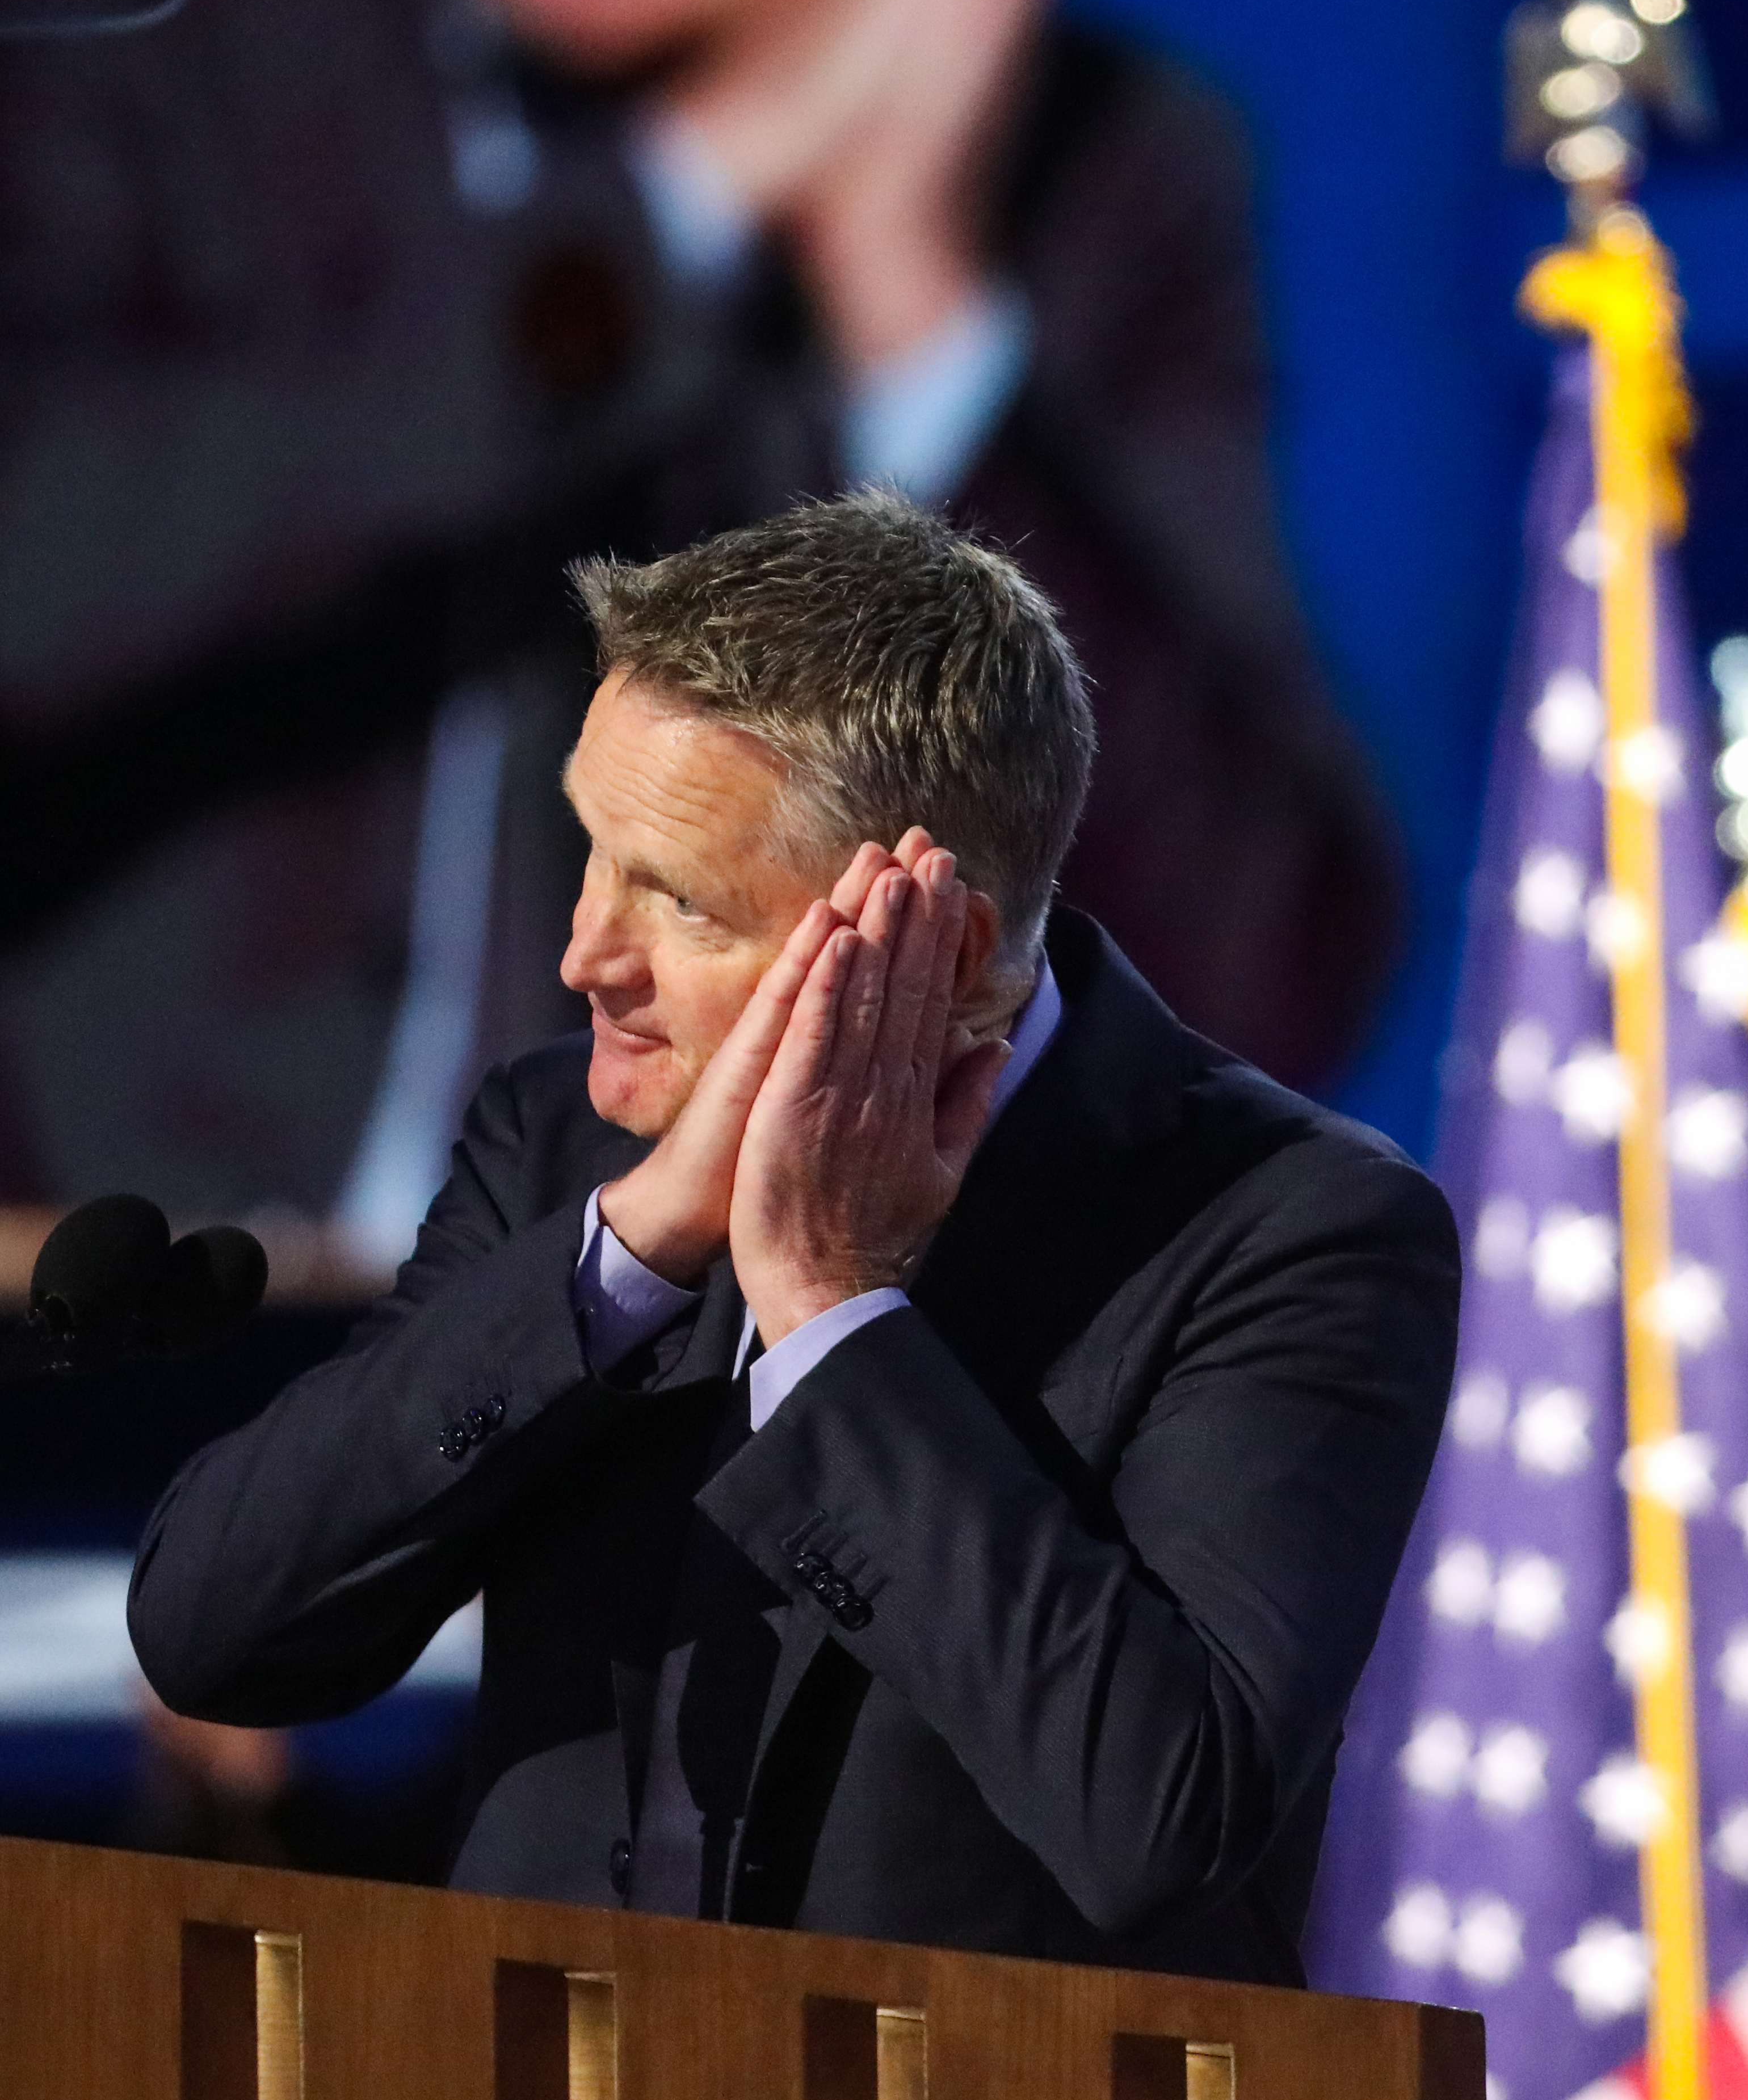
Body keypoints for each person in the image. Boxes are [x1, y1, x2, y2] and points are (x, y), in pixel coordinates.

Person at [0, 0, 1397, 1239]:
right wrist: (676, 214)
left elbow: (1245, 988)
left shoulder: (1097, 180)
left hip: (692, 1437)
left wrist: (913, 320)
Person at [129, 495, 1457, 1978]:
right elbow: (211, 1633)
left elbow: (1155, 1815)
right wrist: (625, 1256)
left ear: (927, 944)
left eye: (677, 898)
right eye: (589, 847)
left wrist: (829, 1307)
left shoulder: (1289, 1230)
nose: (583, 953)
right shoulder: (564, 1148)